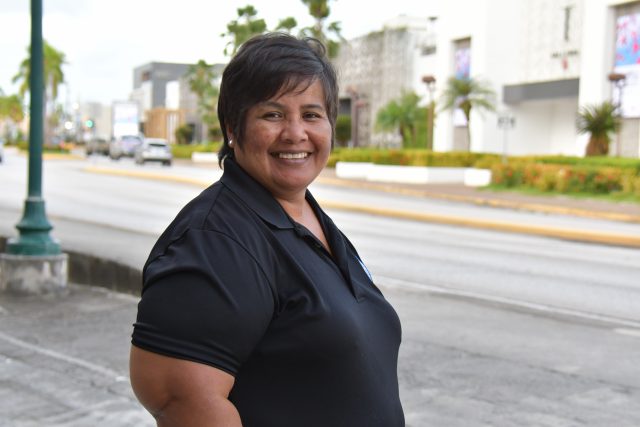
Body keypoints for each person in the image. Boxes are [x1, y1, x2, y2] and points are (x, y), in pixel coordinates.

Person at [129, 33, 404, 427]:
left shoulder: (303, 212)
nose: (295, 133)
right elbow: (179, 399)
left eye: (312, 115)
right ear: (232, 127)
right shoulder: (216, 241)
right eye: (272, 114)